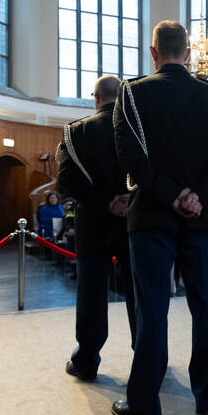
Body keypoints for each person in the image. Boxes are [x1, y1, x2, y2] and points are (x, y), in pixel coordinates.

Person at [112, 20, 208, 415]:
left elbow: (131, 158)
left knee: (153, 309)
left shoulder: (132, 92)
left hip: (151, 216)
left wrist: (170, 195)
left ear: (153, 53)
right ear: (188, 53)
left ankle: (145, 402)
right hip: (202, 221)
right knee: (205, 308)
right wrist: (198, 196)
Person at [57, 74, 137, 381]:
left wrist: (105, 202)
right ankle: (147, 353)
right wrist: (127, 200)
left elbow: (66, 180)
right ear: (122, 98)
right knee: (138, 289)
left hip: (93, 222)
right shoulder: (137, 129)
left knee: (91, 290)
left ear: (95, 98)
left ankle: (87, 360)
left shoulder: (76, 131)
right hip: (134, 220)